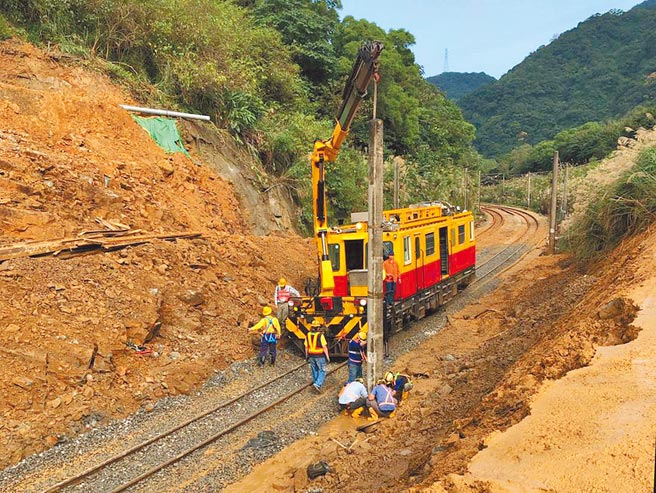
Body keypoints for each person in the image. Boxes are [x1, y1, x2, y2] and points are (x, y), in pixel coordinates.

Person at [305, 319, 330, 393]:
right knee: (322, 370)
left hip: (311, 355)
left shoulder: (308, 335)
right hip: (320, 356)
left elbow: (306, 347)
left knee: (314, 369)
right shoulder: (320, 335)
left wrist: (307, 356)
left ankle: (315, 383)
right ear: (318, 328)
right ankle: (317, 384)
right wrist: (327, 357)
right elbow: (324, 347)